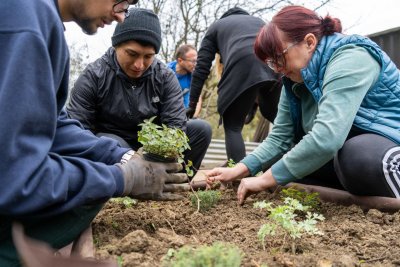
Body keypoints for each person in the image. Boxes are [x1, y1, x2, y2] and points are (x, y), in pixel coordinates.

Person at [0, 1, 190, 266]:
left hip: (123, 147)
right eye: (121, 1)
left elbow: (57, 125)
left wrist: (125, 159)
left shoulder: (42, 20)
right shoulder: (25, 22)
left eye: (148, 57)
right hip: (12, 185)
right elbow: (15, 176)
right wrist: (120, 178)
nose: (121, 16)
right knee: (93, 188)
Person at [206, 5, 400, 204]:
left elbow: (327, 138)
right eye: (272, 63)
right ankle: (353, 193)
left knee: (358, 158)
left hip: (387, 146)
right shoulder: (294, 80)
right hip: (345, 153)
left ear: (309, 42)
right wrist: (239, 169)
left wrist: (264, 180)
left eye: (279, 58)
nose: (278, 69)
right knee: (276, 162)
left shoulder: (351, 56)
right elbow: (279, 138)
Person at [67, 8, 212, 171]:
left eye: (148, 56)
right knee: (111, 141)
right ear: (116, 45)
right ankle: (119, 185)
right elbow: (78, 130)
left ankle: (174, 183)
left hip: (152, 146)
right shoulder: (94, 76)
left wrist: (156, 156)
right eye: (132, 54)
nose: (139, 65)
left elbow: (175, 126)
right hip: (112, 148)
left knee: (201, 130)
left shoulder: (165, 77)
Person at [187, 7, 281, 163]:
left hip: (242, 63)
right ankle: (295, 170)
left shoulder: (217, 26)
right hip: (275, 67)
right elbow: (257, 74)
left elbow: (201, 68)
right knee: (280, 121)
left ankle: (238, 179)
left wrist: (192, 103)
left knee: (233, 127)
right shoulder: (260, 22)